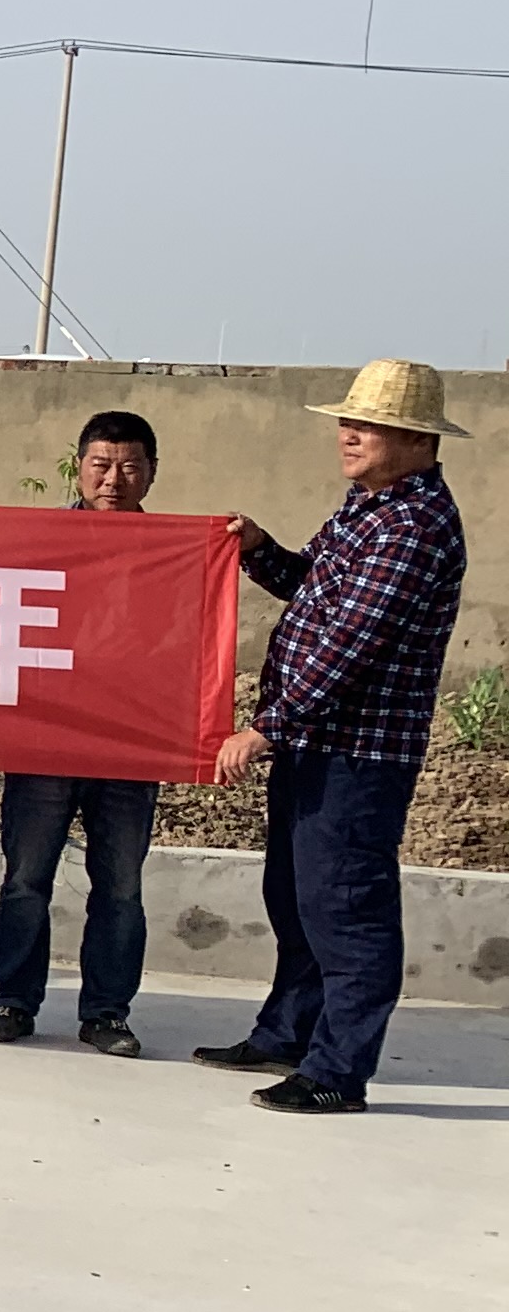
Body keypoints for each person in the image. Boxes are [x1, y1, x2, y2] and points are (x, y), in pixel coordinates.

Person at [196, 359, 472, 1116]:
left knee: (347, 909)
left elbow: (351, 648)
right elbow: (311, 588)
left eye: (368, 425)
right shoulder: (368, 508)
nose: (349, 435)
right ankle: (288, 1034)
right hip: (318, 745)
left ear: (417, 441)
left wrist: (266, 726)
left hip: (358, 754)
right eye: (348, 421)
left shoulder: (412, 527)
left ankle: (338, 1071)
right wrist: (259, 549)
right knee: (297, 899)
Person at [0, 411, 162, 1054]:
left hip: (128, 746)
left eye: (129, 467)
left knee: (121, 887)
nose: (113, 480)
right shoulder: (42, 542)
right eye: (101, 465)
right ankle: (12, 1001)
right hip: (46, 742)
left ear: (152, 473)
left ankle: (107, 1013)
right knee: (26, 880)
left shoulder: (174, 553)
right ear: (79, 468)